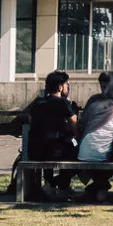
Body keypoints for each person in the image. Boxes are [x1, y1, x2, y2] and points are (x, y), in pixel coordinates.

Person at [78, 80, 113, 202]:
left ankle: (96, 189)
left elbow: (83, 124)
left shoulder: (94, 106)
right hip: (103, 155)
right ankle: (100, 190)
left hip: (83, 153)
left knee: (102, 161)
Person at [27, 70, 77, 199]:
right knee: (77, 152)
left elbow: (30, 120)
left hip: (34, 150)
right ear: (60, 87)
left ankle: (50, 185)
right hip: (54, 151)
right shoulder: (63, 103)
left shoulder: (37, 103)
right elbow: (74, 123)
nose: (68, 87)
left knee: (50, 144)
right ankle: (60, 185)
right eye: (66, 84)